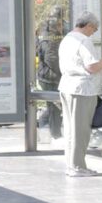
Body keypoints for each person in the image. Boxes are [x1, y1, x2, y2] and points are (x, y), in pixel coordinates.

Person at [58, 11, 102, 177]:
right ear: (87, 26)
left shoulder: (67, 39)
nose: (93, 32)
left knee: (71, 128)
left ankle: (71, 165)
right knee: (80, 130)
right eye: (94, 29)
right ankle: (78, 167)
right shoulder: (84, 41)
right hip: (82, 90)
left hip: (66, 87)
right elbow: (92, 66)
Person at [36, 9, 63, 141]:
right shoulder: (52, 35)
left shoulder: (49, 32)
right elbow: (51, 58)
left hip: (48, 76)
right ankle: (56, 136)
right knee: (55, 107)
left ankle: (40, 125)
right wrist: (63, 72)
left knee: (54, 106)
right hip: (50, 77)